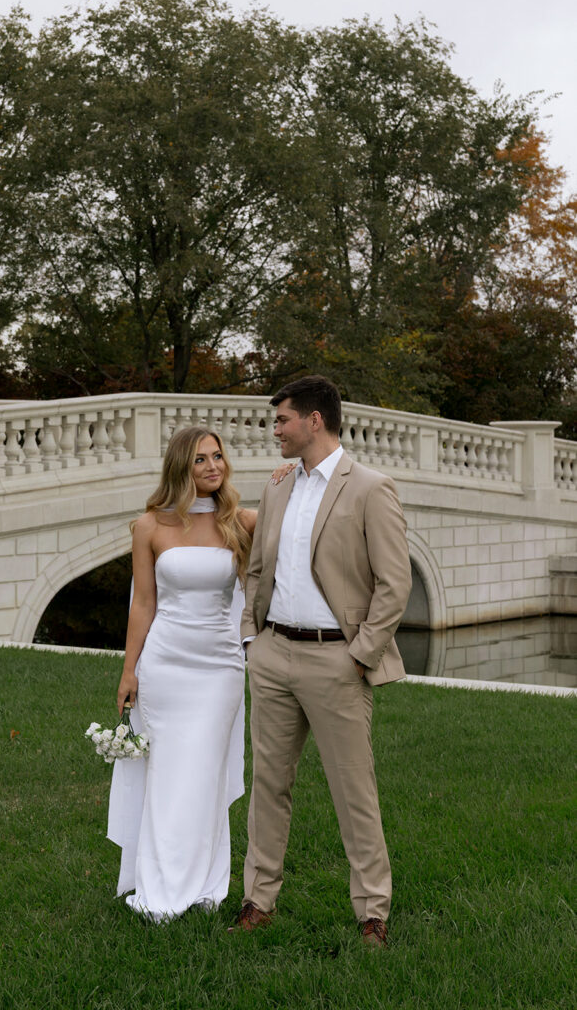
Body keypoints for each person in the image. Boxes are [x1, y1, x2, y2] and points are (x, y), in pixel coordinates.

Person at [230, 375, 412, 947]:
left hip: (338, 661)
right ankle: (258, 901)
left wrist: (360, 655)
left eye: (282, 419)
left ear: (314, 420)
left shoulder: (371, 488)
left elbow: (395, 584)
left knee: (354, 792)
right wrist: (251, 638)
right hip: (273, 655)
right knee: (268, 785)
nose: (275, 431)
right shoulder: (279, 485)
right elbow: (257, 568)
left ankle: (372, 913)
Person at [108, 425, 258, 920]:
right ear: (181, 467)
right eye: (200, 459)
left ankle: (205, 884)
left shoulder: (239, 521)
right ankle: (161, 885)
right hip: (165, 665)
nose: (213, 466)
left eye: (217, 456)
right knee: (168, 774)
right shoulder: (149, 526)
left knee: (205, 774)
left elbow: (301, 520)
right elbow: (143, 604)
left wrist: (289, 476)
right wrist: (129, 671)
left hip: (219, 669)